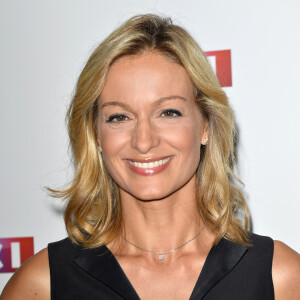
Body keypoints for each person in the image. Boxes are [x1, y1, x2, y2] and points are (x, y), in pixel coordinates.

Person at [1, 14, 299, 300]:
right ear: (95, 135)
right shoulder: (42, 285)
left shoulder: (279, 278)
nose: (144, 141)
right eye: (119, 117)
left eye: (168, 112)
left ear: (206, 125)